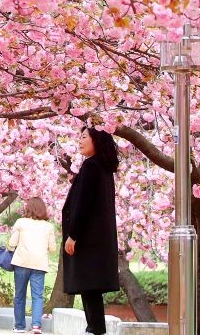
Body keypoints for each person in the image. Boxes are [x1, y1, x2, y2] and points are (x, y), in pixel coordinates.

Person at [62, 127, 120, 335]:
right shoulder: (103, 169)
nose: (79, 140)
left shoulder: (91, 167)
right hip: (98, 240)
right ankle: (94, 328)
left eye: (84, 136)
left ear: (97, 140)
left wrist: (73, 235)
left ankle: (95, 329)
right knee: (91, 288)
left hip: (88, 239)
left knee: (89, 287)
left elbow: (82, 205)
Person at [8, 197, 56, 334]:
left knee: (19, 295)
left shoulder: (21, 222)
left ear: (28, 208)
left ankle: (19, 326)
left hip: (22, 262)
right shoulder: (48, 226)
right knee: (37, 296)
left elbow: (12, 243)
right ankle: (36, 326)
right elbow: (52, 248)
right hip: (39, 264)